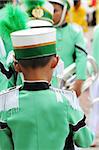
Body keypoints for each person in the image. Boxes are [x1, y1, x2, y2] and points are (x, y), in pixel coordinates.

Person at [0, 27, 94, 150]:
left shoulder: (6, 102)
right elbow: (86, 140)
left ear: (16, 66)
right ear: (55, 62)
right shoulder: (67, 100)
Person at [49, 0, 87, 97]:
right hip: (47, 86)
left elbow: (81, 56)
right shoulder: (43, 30)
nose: (50, 14)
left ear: (65, 12)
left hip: (67, 84)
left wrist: (79, 81)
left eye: (55, 11)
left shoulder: (75, 30)